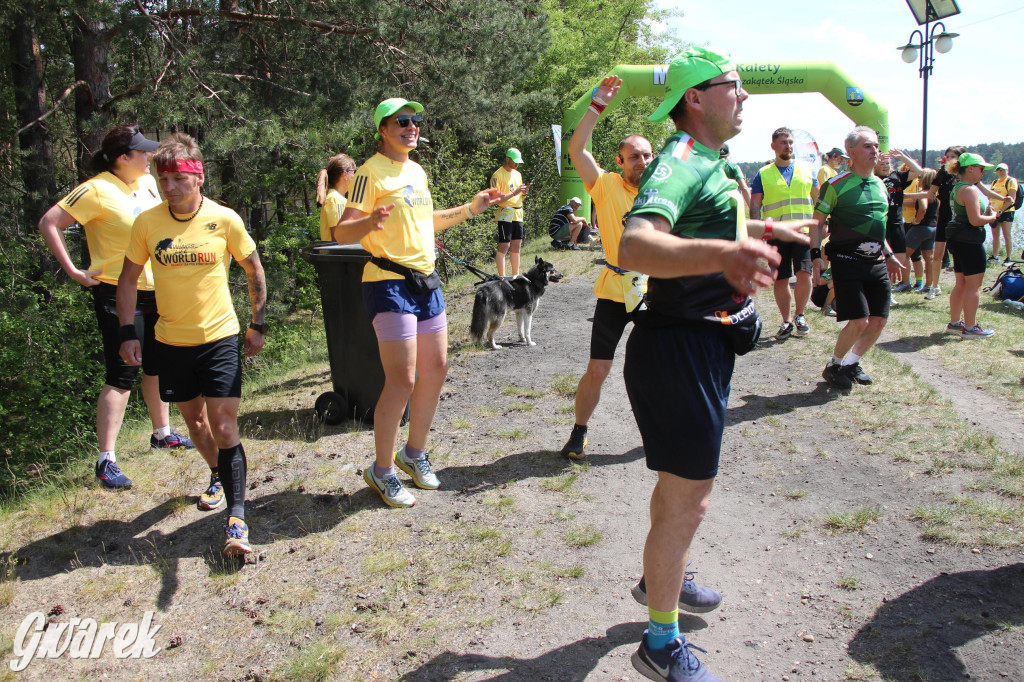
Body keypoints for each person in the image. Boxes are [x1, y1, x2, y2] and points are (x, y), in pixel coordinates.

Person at [617, 47, 812, 682]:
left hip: (698, 345)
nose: (746, 97)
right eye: (734, 86)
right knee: (690, 501)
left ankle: (658, 580)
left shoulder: (709, 163)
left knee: (680, 493)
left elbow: (706, 222)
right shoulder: (678, 159)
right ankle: (659, 643)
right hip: (678, 349)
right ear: (695, 99)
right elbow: (635, 242)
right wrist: (725, 251)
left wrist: (762, 232)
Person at [335, 98, 500, 508]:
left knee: (437, 367)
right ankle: (382, 470)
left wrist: (471, 207)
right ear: (383, 129)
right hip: (387, 282)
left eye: (416, 121)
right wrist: (367, 223)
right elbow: (341, 232)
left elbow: (425, 222)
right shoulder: (369, 173)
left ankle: (413, 455)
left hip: (426, 280)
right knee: (402, 379)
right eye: (402, 122)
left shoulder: (416, 170)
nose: (412, 127)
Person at [117, 133, 267, 555]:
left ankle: (237, 520)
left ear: (198, 176)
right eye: (163, 179)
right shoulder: (147, 223)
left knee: (223, 426)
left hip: (220, 337)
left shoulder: (224, 219)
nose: (169, 187)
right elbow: (128, 280)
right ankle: (218, 474)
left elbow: (254, 270)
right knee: (196, 425)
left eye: (178, 178)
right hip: (170, 341)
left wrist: (258, 322)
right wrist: (128, 332)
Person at [37, 125, 194, 491]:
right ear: (124, 158)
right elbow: (49, 222)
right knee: (123, 372)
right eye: (143, 152)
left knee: (157, 364)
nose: (150, 156)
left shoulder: (149, 184)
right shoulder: (95, 189)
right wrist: (74, 270)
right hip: (116, 292)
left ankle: (163, 433)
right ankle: (106, 460)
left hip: (158, 287)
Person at [812, 127, 905, 391]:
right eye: (867, 146)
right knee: (859, 321)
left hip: (875, 261)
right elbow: (817, 223)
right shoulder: (836, 185)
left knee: (879, 320)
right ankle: (834, 365)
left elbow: (877, 226)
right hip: (845, 259)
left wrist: (888, 254)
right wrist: (816, 256)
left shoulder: (880, 185)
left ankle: (852, 364)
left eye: (876, 145)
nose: (875, 150)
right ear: (851, 152)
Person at [750, 127, 819, 339]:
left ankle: (800, 315)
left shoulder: (807, 169)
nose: (788, 146)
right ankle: (786, 320)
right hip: (776, 234)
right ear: (773, 146)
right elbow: (755, 206)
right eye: (783, 142)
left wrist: (822, 225)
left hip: (802, 232)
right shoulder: (763, 174)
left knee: (804, 274)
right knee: (781, 279)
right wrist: (758, 231)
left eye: (790, 142)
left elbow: (819, 200)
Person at [944, 153, 1001, 338]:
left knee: (961, 284)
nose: (983, 173)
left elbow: (966, 215)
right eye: (981, 169)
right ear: (970, 168)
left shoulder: (957, 187)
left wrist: (984, 213)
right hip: (970, 242)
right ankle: (970, 327)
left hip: (958, 241)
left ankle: (954, 323)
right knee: (973, 287)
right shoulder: (969, 190)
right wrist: (991, 217)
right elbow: (976, 221)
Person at [876, 149, 922, 294]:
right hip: (881, 223)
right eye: (881, 163)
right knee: (883, 260)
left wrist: (902, 157)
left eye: (887, 163)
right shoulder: (872, 178)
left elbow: (918, 171)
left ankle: (902, 283)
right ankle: (885, 290)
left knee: (901, 258)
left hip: (896, 223)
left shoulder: (897, 177)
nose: (885, 166)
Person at [926, 145, 967, 299]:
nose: (949, 159)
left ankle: (961, 286)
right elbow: (931, 192)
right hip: (944, 217)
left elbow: (980, 189)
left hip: (960, 219)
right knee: (937, 255)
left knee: (959, 254)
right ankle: (934, 286)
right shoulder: (943, 172)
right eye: (947, 156)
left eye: (953, 156)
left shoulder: (965, 173)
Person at [490, 148, 530, 276]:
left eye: (518, 162)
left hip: (518, 213)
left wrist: (523, 193)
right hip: (505, 213)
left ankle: (515, 275)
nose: (517, 164)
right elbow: (496, 199)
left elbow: (519, 196)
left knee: (516, 245)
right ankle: (501, 277)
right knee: (504, 245)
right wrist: (515, 192)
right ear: (507, 159)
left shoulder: (518, 174)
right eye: (514, 161)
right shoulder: (497, 175)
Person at [903, 168, 938, 292]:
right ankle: (929, 285)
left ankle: (905, 282)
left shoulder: (924, 193)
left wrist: (917, 220)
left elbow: (922, 208)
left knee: (903, 254)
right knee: (929, 259)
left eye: (920, 177)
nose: (918, 179)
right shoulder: (935, 194)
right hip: (933, 227)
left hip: (921, 228)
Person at [317, 153, 356, 241]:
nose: (355, 175)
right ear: (344, 175)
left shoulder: (339, 199)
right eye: (353, 171)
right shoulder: (334, 199)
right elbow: (338, 237)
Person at [989, 163, 1018, 264]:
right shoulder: (994, 182)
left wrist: (1001, 211)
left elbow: (1011, 199)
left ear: (1007, 170)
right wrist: (991, 209)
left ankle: (1008, 257)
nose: (1000, 172)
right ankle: (995, 256)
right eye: (998, 170)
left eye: (1003, 170)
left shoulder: (1011, 181)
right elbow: (990, 196)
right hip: (995, 212)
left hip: (1007, 211)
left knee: (1007, 234)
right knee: (995, 234)